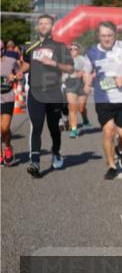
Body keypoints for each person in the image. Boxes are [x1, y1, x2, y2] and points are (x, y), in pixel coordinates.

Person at [83, 21, 122, 180]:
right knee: (108, 131)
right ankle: (111, 165)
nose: (106, 39)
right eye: (103, 36)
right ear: (98, 36)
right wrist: (87, 83)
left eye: (110, 35)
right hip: (103, 98)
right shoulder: (91, 53)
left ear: (115, 35)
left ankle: (120, 149)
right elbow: (86, 72)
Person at [20, 14, 73, 177]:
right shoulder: (30, 47)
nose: (43, 26)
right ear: (37, 27)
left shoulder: (60, 47)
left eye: (47, 23)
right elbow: (27, 64)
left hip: (53, 93)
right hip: (35, 93)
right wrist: (17, 73)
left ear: (52, 27)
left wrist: (54, 63)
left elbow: (70, 68)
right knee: (36, 126)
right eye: (41, 23)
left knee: (53, 128)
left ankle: (56, 152)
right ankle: (35, 162)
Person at [1, 37, 23, 166]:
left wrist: (14, 76)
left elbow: (20, 74)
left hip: (7, 96)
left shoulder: (11, 61)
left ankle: (8, 146)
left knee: (4, 128)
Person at [64, 42, 93, 139]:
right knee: (72, 107)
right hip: (70, 84)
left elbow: (89, 68)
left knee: (81, 107)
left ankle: (85, 119)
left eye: (75, 49)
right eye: (70, 49)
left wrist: (83, 72)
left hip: (82, 84)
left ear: (79, 50)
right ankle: (74, 130)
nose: (72, 50)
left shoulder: (83, 59)